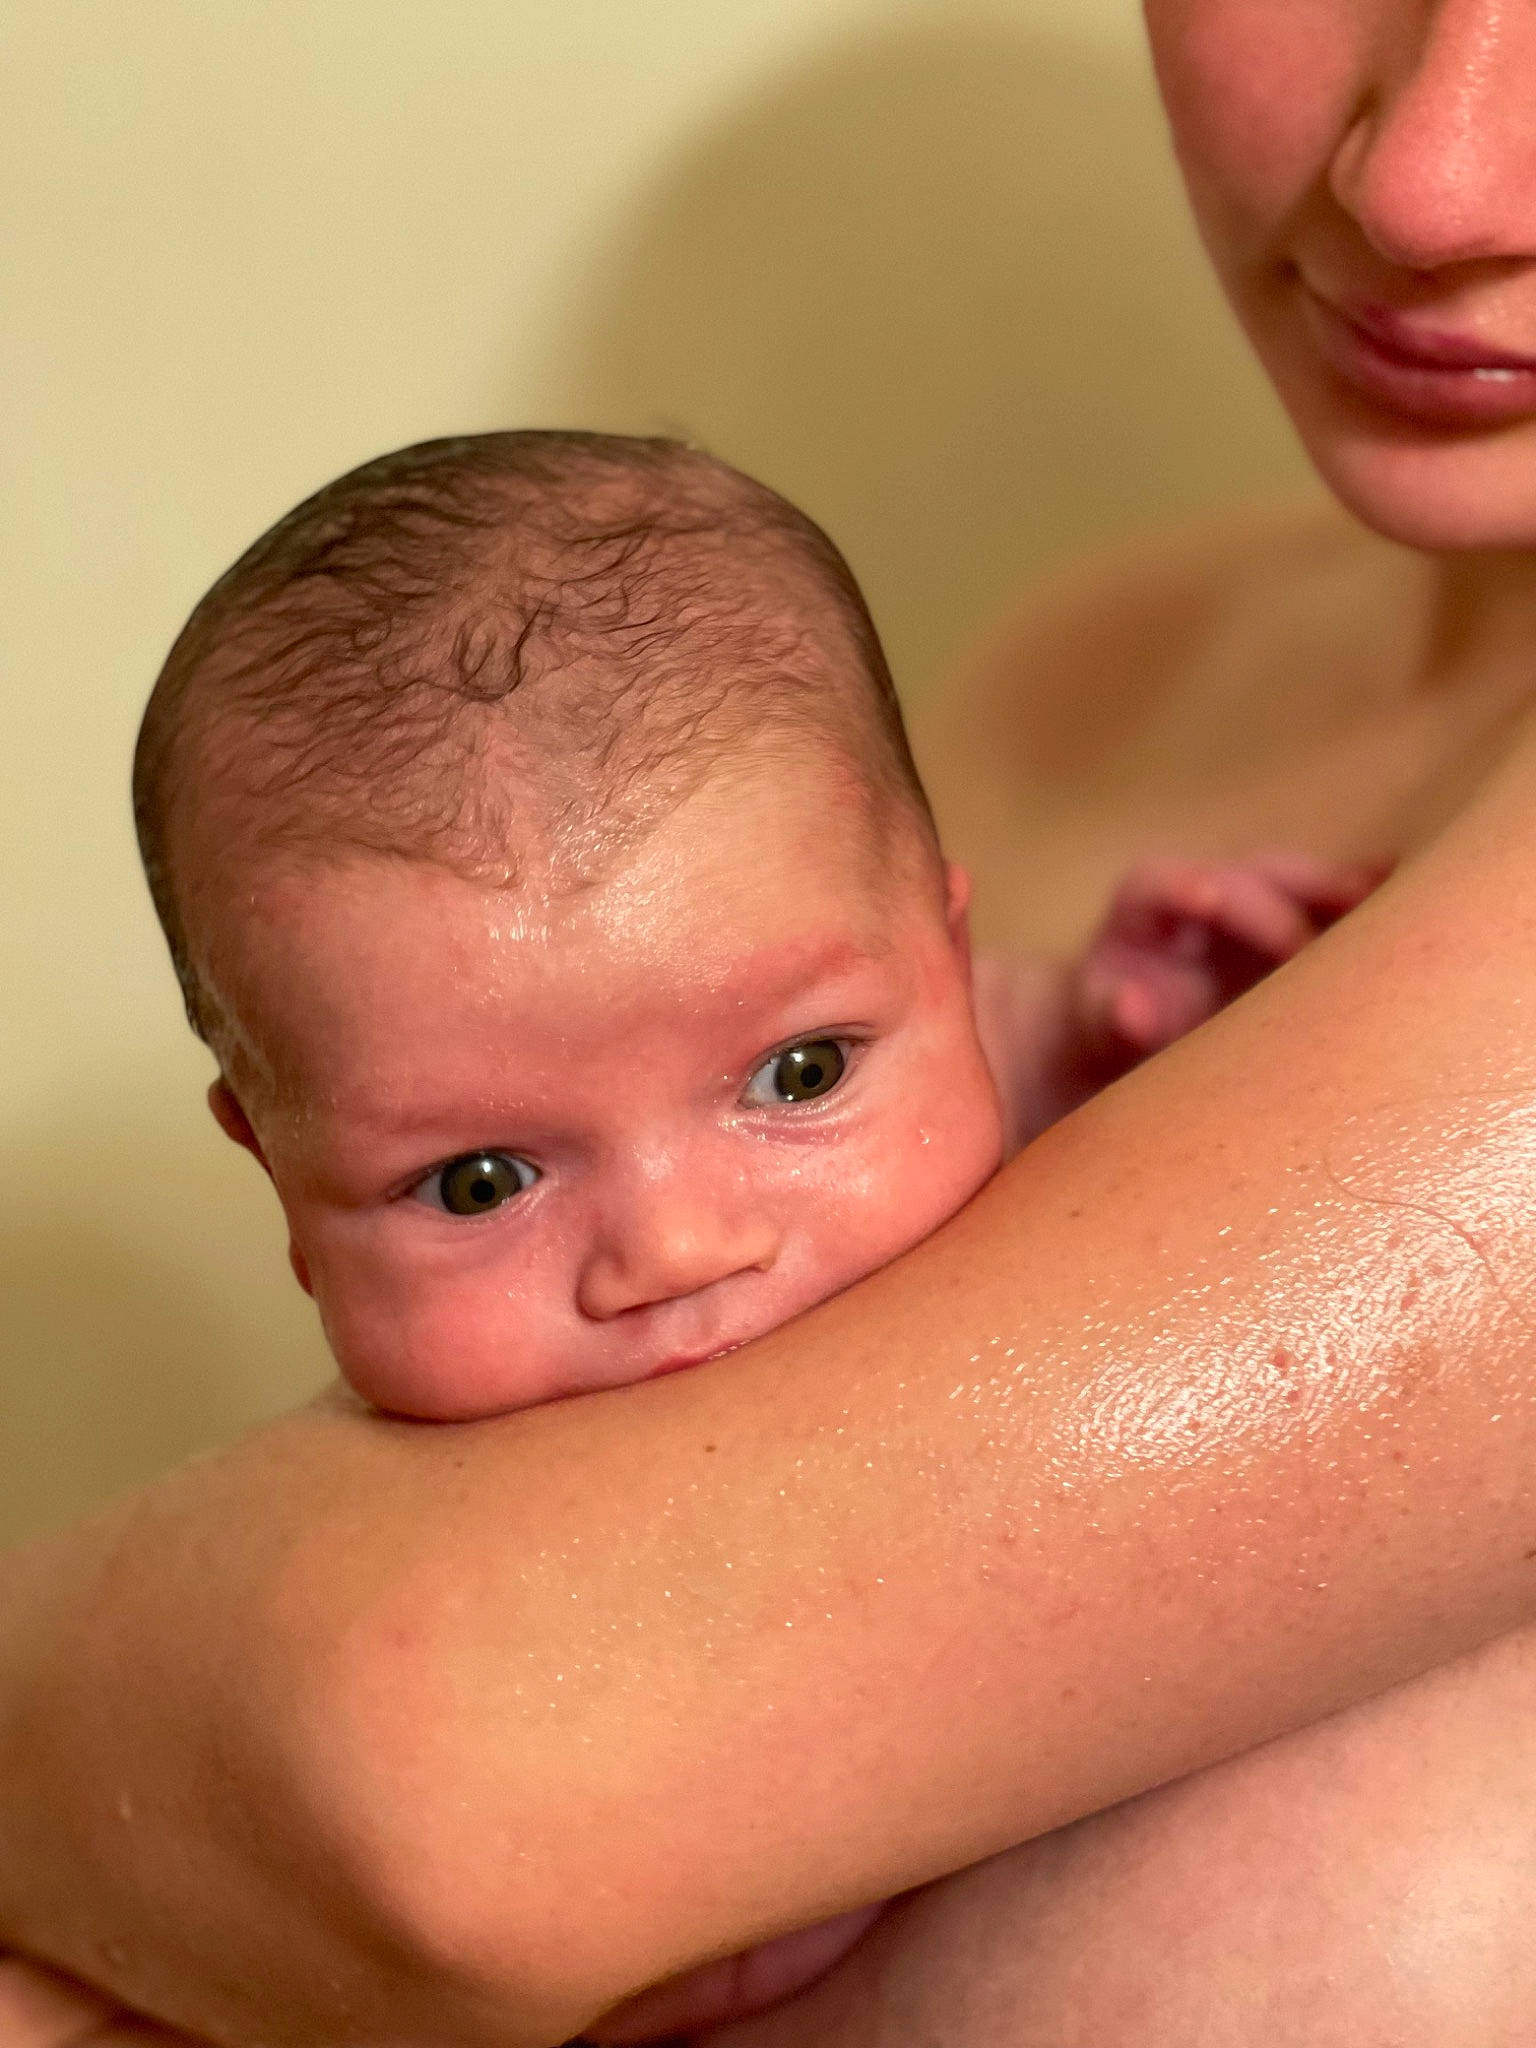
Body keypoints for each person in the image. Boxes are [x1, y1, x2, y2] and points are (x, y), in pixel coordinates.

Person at [5, 3, 1536, 2044]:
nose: (1427, 178)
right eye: (481, 1174)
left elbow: (457, 1775)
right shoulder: (1090, 678)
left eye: (801, 1075)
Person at [115, 425, 1371, 2042]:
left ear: (950, 961)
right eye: (481, 1182)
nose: (680, 1251)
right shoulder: (410, 1576)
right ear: (280, 1183)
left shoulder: (973, 1143)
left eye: (801, 1075)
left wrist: (1119, 1050)